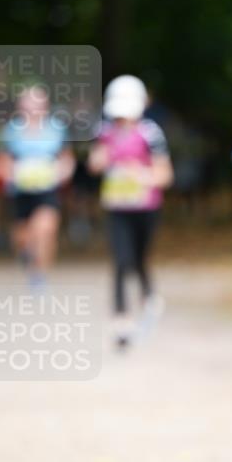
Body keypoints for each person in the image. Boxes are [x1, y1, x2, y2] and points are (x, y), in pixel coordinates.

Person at [88, 75, 174, 350]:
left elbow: (165, 175)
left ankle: (149, 296)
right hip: (117, 206)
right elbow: (94, 165)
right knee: (121, 259)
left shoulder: (151, 133)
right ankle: (121, 318)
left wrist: (141, 176)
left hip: (146, 207)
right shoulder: (105, 131)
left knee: (139, 258)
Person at [0, 84, 75, 289]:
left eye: (37, 104)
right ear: (21, 107)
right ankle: (27, 256)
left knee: (45, 229)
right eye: (29, 105)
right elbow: (1, 162)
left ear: (45, 106)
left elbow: (67, 160)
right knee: (22, 237)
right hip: (20, 193)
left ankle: (40, 275)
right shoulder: (11, 131)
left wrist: (60, 174)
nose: (33, 109)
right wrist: (13, 175)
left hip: (47, 191)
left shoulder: (57, 129)